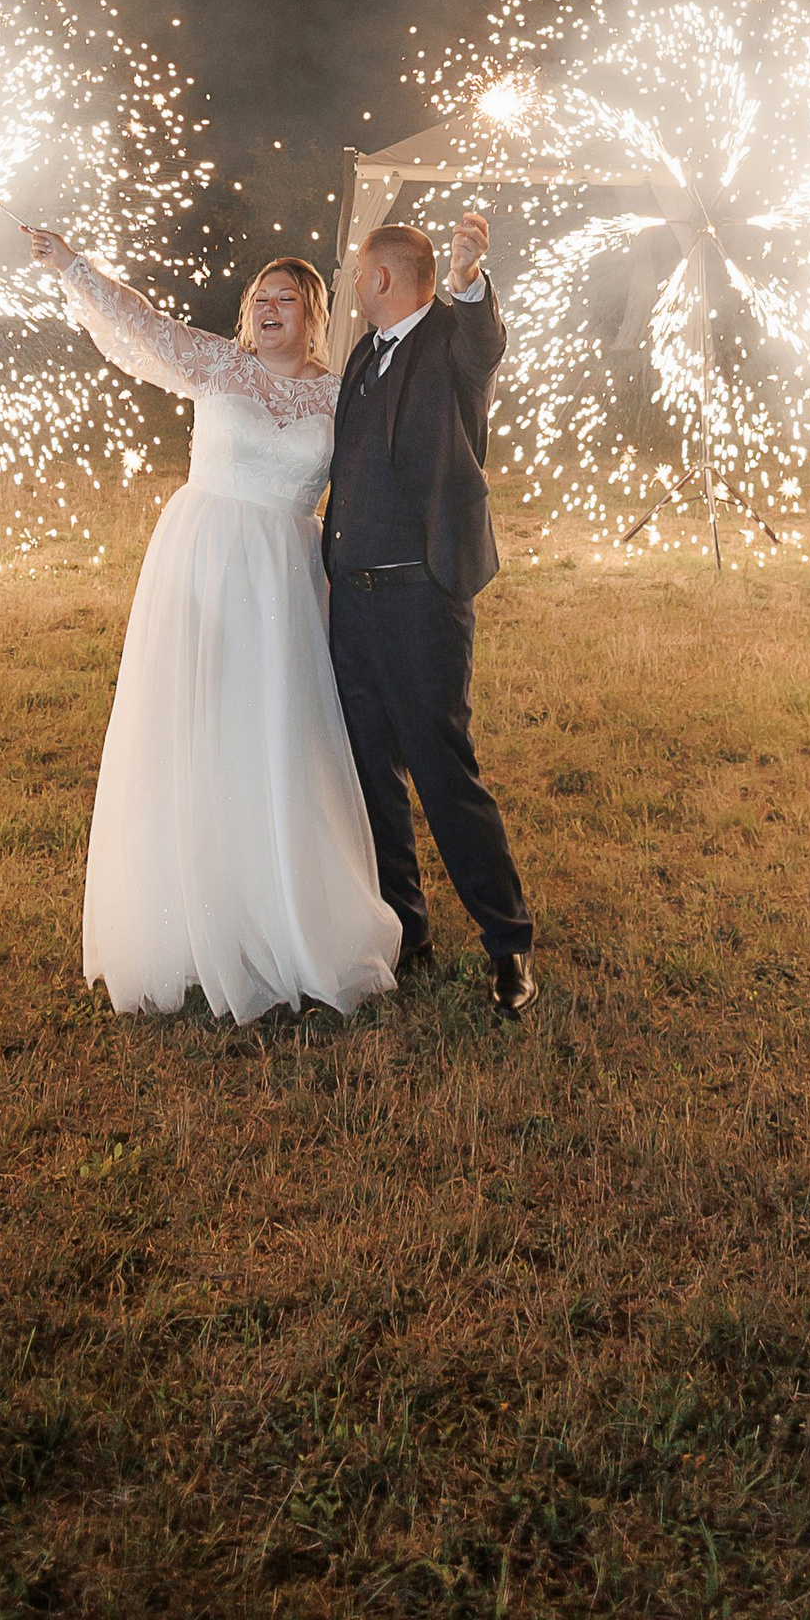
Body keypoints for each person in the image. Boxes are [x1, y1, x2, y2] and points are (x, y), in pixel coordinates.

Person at [28, 227, 399, 1024]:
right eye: (259, 299)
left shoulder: (339, 398)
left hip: (284, 581)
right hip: (200, 561)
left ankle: (281, 913)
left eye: (286, 299)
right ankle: (184, 920)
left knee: (272, 731)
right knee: (192, 725)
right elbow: (140, 323)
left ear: (314, 315)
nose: (269, 309)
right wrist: (74, 266)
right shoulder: (218, 368)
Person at [327, 211, 535, 1017]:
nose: (351, 282)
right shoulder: (361, 357)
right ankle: (407, 930)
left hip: (421, 601)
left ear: (382, 278)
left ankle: (509, 943)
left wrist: (466, 282)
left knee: (445, 775)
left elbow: (485, 342)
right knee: (372, 776)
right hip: (354, 604)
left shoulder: (451, 343)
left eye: (358, 271)